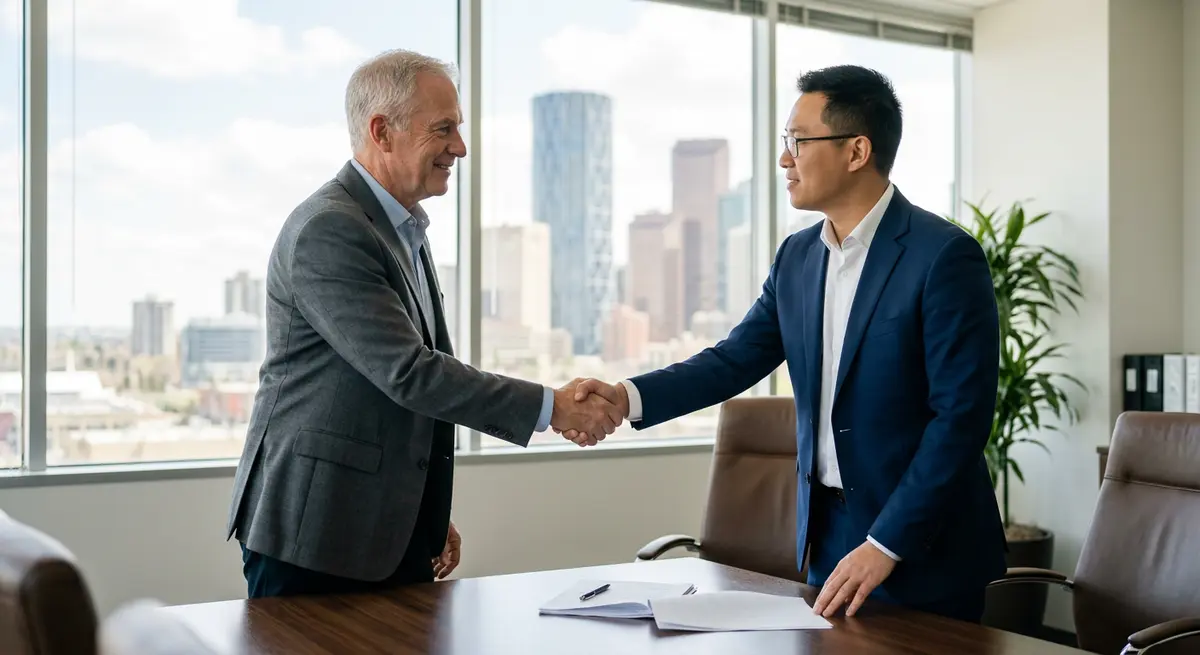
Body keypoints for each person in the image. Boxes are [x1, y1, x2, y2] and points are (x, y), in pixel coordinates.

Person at [566, 65, 1005, 623]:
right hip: (828, 538)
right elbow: (733, 360)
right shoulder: (798, 257)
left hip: (923, 547)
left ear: (856, 150)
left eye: (798, 141)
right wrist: (625, 397)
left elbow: (960, 419)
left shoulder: (943, 256)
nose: (784, 160)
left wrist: (886, 544)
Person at [226, 49, 623, 598]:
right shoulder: (331, 230)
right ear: (381, 132)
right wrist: (553, 406)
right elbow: (410, 373)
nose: (459, 147)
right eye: (444, 129)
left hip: (380, 529)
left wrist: (422, 514)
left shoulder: (400, 226)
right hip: (317, 533)